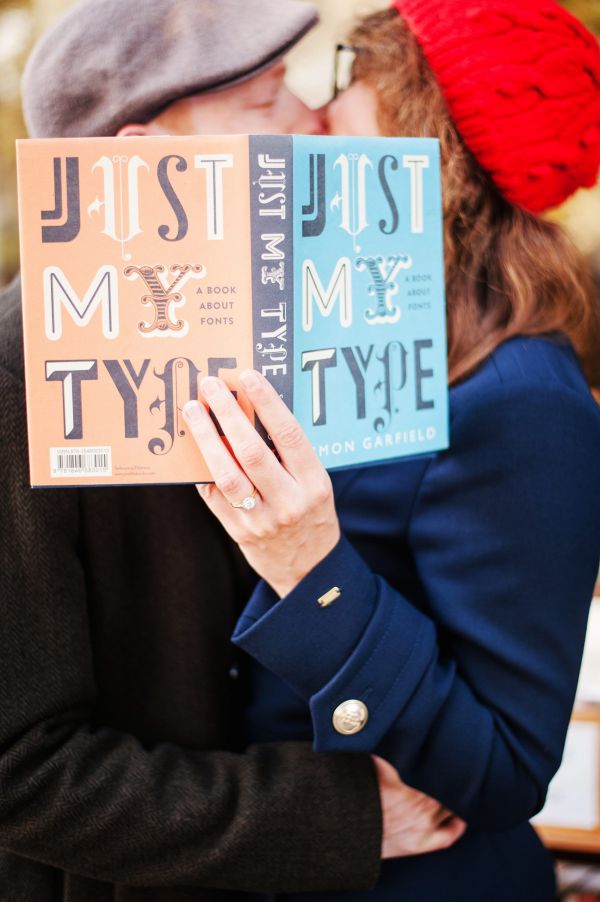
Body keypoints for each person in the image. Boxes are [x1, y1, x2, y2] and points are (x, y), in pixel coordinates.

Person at [0, 1, 467, 901]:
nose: (312, 118)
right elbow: (19, 768)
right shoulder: (12, 383)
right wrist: (333, 818)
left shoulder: (287, 332)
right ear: (143, 163)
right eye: (264, 101)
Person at [181, 1, 600, 900]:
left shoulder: (525, 397)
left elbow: (505, 767)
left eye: (347, 78)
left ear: (427, 133)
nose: (314, 111)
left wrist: (311, 567)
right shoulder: (354, 325)